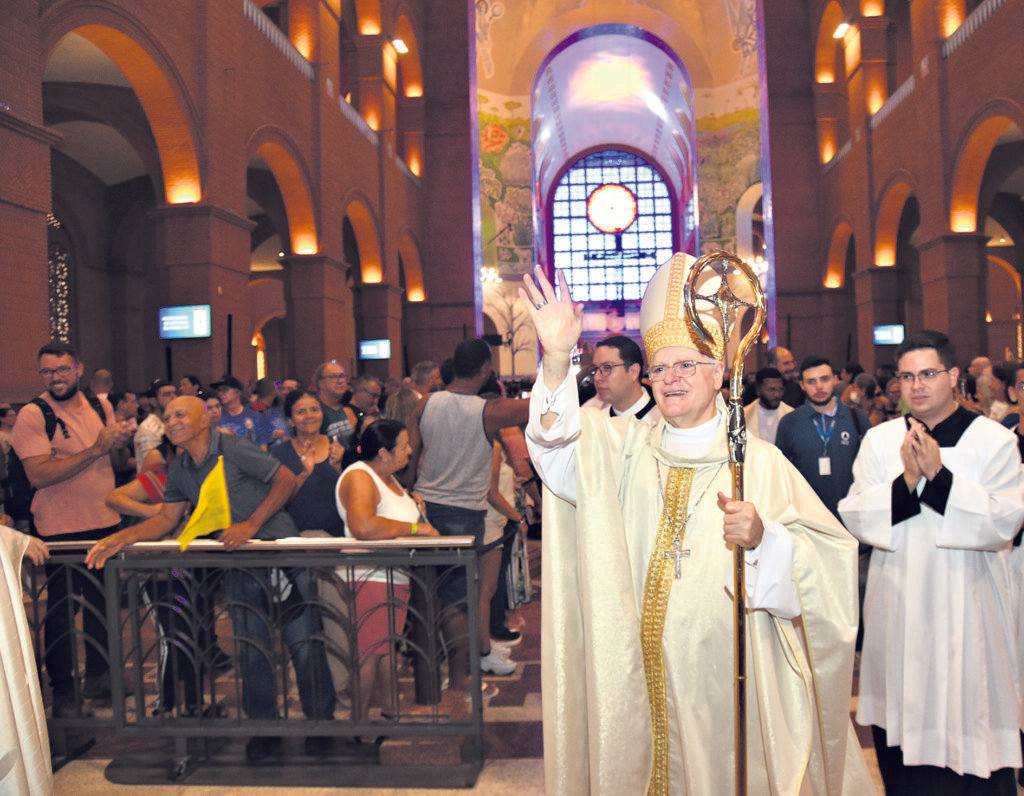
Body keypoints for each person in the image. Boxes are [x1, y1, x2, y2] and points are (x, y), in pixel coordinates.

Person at [521, 256, 869, 794]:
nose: (671, 378)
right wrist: (554, 359)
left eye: (686, 364)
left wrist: (764, 540)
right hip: (636, 679)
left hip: (727, 689)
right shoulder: (624, 451)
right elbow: (556, 457)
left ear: (719, 372)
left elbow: (830, 565)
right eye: (660, 367)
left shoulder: (758, 463)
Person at [84, 396, 335, 761]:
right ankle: (264, 729)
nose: (171, 421)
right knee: (251, 649)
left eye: (180, 414)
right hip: (238, 565)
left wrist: (250, 525)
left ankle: (322, 726)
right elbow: (167, 519)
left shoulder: (234, 448)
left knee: (304, 643)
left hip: (280, 555)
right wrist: (117, 538)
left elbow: (284, 480)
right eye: (167, 416)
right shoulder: (182, 467)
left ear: (205, 420)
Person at [838, 330, 1024, 793]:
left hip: (971, 608)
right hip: (901, 608)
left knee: (972, 727)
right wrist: (906, 480)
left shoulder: (993, 441)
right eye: (906, 376)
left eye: (928, 374)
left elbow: (1004, 521)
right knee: (905, 743)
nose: (917, 385)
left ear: (953, 375)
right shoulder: (881, 442)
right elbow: (855, 512)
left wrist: (938, 477)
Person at [11, 341, 134, 717]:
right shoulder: (34, 415)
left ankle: (100, 677)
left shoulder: (101, 405)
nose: (55, 378)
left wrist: (117, 447)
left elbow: (115, 460)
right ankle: (64, 690)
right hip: (60, 529)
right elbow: (38, 474)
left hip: (106, 522)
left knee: (102, 606)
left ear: (78, 369)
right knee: (63, 613)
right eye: (47, 372)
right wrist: (97, 450)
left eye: (62, 370)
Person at [406, 338, 530, 696]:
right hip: (463, 514)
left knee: (427, 600)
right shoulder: (487, 411)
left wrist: (410, 497)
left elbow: (411, 457)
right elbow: (542, 406)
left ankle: (427, 689)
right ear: (484, 371)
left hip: (425, 510)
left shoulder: (427, 402)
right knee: (459, 603)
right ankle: (461, 683)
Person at [335, 419, 439, 718]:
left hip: (393, 574)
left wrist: (415, 513)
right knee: (370, 653)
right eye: (404, 445)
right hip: (369, 575)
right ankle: (360, 723)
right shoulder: (359, 475)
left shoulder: (391, 479)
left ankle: (391, 712)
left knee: (385, 650)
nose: (410, 450)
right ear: (383, 452)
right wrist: (415, 529)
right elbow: (363, 526)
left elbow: (396, 523)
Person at [270, 390, 344, 536]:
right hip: (295, 538)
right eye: (301, 412)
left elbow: (353, 494)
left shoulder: (339, 445)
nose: (309, 416)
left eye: (314, 410)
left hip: (337, 537)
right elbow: (276, 503)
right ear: (291, 420)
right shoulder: (279, 454)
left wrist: (338, 468)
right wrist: (304, 474)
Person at [582, 335, 661, 424]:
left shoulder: (663, 419)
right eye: (595, 369)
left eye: (607, 368)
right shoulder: (593, 420)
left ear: (633, 372)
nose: (597, 377)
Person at [212, 375, 271, 445]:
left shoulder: (256, 417)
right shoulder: (215, 417)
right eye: (219, 390)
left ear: (238, 392)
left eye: (224, 390)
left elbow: (263, 447)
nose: (220, 393)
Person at [134, 379, 176, 473]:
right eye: (167, 394)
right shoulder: (148, 429)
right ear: (154, 401)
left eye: (174, 393)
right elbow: (154, 469)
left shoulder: (174, 424)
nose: (173, 397)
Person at [742, 366, 792, 444]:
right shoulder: (744, 415)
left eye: (780, 389)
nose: (777, 394)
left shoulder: (790, 413)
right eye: (771, 390)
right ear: (758, 390)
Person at [314, 361, 358, 448]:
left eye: (342, 376)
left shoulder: (347, 410)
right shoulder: (315, 411)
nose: (340, 381)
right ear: (321, 383)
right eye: (333, 377)